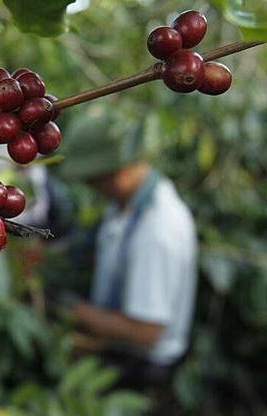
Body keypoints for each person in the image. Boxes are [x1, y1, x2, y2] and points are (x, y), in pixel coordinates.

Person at [57, 103, 198, 397]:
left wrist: (70, 309)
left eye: (93, 181)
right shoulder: (126, 204)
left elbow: (146, 331)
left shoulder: (157, 229)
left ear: (117, 173)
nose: (92, 189)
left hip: (140, 368)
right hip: (120, 351)